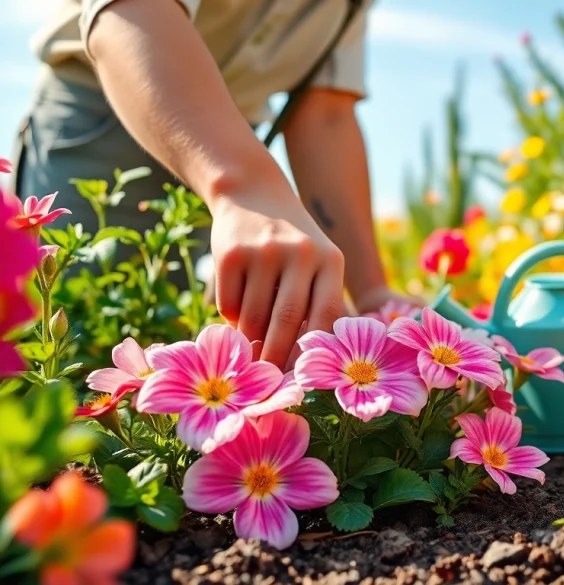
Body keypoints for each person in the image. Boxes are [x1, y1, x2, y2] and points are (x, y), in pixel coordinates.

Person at [13, 0, 417, 369]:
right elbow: (129, 11)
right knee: (59, 344)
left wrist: (370, 292)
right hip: (98, 128)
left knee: (165, 349)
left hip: (227, 157)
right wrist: (242, 186)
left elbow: (324, 113)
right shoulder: (241, 182)